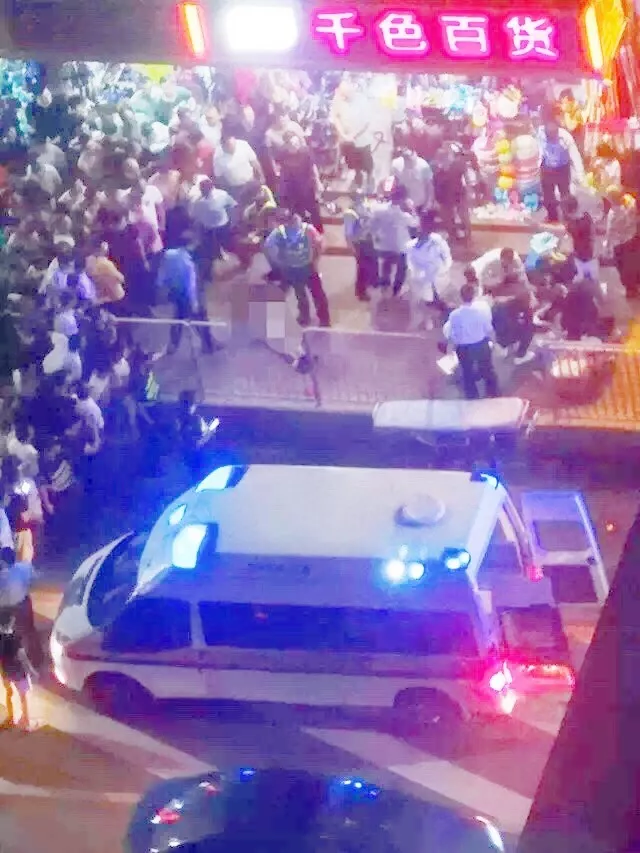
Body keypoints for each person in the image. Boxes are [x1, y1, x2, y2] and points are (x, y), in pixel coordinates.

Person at [264, 210, 330, 328]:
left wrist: (279, 262)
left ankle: (317, 318)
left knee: (309, 293)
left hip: (303, 267)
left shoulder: (303, 230)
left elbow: (268, 247)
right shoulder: (284, 232)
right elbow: (268, 246)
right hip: (300, 267)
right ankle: (313, 318)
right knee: (306, 294)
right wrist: (280, 261)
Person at [156, 235, 217, 354]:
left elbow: (162, 272)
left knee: (178, 318)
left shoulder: (168, 255)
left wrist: (160, 285)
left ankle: (173, 345)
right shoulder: (189, 264)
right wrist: (194, 303)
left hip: (174, 292)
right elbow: (191, 286)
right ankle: (208, 345)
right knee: (199, 319)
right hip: (186, 295)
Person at [443, 281, 499, 399]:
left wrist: (449, 350)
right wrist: (494, 343)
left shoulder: (454, 315)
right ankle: (493, 393)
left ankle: (472, 396)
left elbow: (453, 335)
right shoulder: (481, 313)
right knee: (488, 369)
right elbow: (489, 330)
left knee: (467, 373)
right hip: (481, 345)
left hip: (464, 348)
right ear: (473, 296)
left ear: (460, 296)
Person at [405, 211, 452, 330]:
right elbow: (410, 264)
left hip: (438, 276)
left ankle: (443, 315)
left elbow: (447, 257)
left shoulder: (437, 241)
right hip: (421, 278)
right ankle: (425, 319)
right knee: (422, 300)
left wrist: (443, 270)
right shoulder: (410, 246)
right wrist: (417, 275)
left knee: (438, 299)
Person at [369, 185, 418, 295]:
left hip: (384, 245)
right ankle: (396, 289)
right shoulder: (403, 216)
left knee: (386, 265)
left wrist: (376, 236)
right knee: (402, 268)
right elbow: (415, 223)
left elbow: (372, 225)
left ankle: (385, 285)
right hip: (400, 247)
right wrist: (413, 210)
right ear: (403, 199)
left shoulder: (379, 210)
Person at [538, 114, 584, 222]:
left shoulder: (566, 137)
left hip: (562, 169)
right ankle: (552, 218)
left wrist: (580, 175)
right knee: (548, 197)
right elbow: (539, 150)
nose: (551, 138)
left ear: (557, 132)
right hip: (547, 168)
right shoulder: (540, 134)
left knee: (565, 195)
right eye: (549, 136)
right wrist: (536, 167)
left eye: (553, 135)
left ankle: (567, 217)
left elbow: (575, 156)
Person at [190, 177, 238, 280]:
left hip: (222, 224)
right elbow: (193, 215)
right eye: (202, 190)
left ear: (211, 188)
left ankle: (221, 254)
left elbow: (232, 205)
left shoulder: (221, 195)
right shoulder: (197, 201)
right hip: (207, 227)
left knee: (222, 241)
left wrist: (233, 220)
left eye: (206, 189)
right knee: (209, 247)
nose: (204, 192)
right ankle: (210, 268)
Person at [0, 609, 39, 731]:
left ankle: (11, 717)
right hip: (18, 672)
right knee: (23, 696)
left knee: (9, 693)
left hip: (5, 670)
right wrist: (32, 671)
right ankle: (26, 721)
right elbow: (23, 658)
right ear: (11, 623)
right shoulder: (15, 639)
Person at [277, 134, 324, 234]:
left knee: (314, 210)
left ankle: (319, 232)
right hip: (291, 188)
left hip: (306, 185)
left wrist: (318, 182)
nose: (296, 145)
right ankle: (302, 233)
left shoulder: (305, 152)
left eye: (297, 143)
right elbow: (279, 167)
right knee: (297, 212)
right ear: (287, 145)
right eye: (293, 144)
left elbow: (313, 167)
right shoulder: (282, 153)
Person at [214, 126, 264, 207]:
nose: (233, 149)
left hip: (250, 183)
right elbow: (219, 177)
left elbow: (254, 162)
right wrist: (227, 191)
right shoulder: (217, 156)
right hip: (235, 189)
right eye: (229, 147)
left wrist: (261, 177)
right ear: (223, 146)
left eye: (234, 145)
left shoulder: (243, 145)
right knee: (243, 207)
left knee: (258, 205)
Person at [603, 189, 639, 297]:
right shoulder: (629, 206)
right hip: (630, 240)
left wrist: (607, 246)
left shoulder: (613, 214)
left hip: (619, 244)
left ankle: (631, 288)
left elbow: (610, 232)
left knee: (622, 267)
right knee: (630, 265)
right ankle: (633, 287)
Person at [343, 191, 377, 301]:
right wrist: (351, 248)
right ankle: (361, 292)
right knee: (362, 268)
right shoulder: (350, 213)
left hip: (369, 241)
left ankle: (369, 284)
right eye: (359, 197)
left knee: (370, 265)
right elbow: (348, 233)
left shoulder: (367, 207)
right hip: (359, 243)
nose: (362, 199)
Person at [564, 195, 599, 283]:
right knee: (592, 277)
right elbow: (593, 232)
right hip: (590, 251)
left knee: (581, 277)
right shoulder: (586, 216)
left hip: (580, 253)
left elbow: (565, 231)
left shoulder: (573, 224)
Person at [391, 148, 434, 213]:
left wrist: (428, 203)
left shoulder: (424, 166)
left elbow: (429, 186)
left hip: (420, 205)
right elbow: (393, 181)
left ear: (415, 155)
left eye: (410, 158)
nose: (409, 160)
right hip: (403, 205)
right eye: (406, 158)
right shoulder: (396, 164)